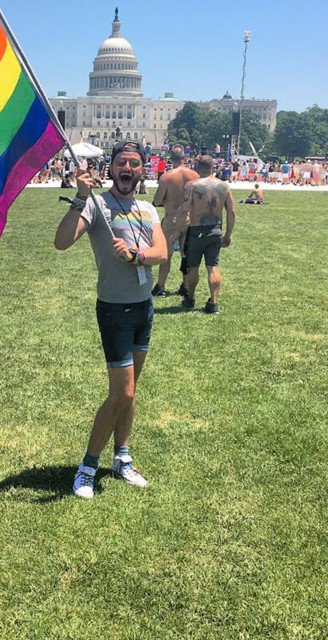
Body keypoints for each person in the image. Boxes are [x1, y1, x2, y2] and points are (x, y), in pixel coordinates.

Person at [54, 141, 167, 500]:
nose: (127, 168)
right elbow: (61, 242)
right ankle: (87, 466)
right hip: (115, 309)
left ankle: (122, 457)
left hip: (143, 307)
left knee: (129, 392)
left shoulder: (147, 208)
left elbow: (162, 253)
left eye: (134, 163)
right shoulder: (96, 204)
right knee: (124, 392)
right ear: (111, 169)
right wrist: (79, 196)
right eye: (121, 162)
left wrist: (136, 255)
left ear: (141, 170)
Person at [175, 155, 235, 314]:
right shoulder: (224, 186)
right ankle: (213, 302)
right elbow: (232, 212)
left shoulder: (192, 186)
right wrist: (228, 234)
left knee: (193, 266)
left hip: (196, 231)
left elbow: (184, 209)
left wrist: (176, 230)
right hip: (215, 230)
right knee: (213, 267)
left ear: (197, 167)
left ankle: (190, 298)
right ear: (213, 167)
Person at [151, 144, 197, 298]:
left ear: (171, 159)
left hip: (172, 217)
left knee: (166, 254)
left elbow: (157, 200)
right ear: (184, 158)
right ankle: (185, 285)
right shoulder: (194, 175)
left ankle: (161, 286)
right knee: (186, 255)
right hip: (190, 218)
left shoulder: (167, 176)